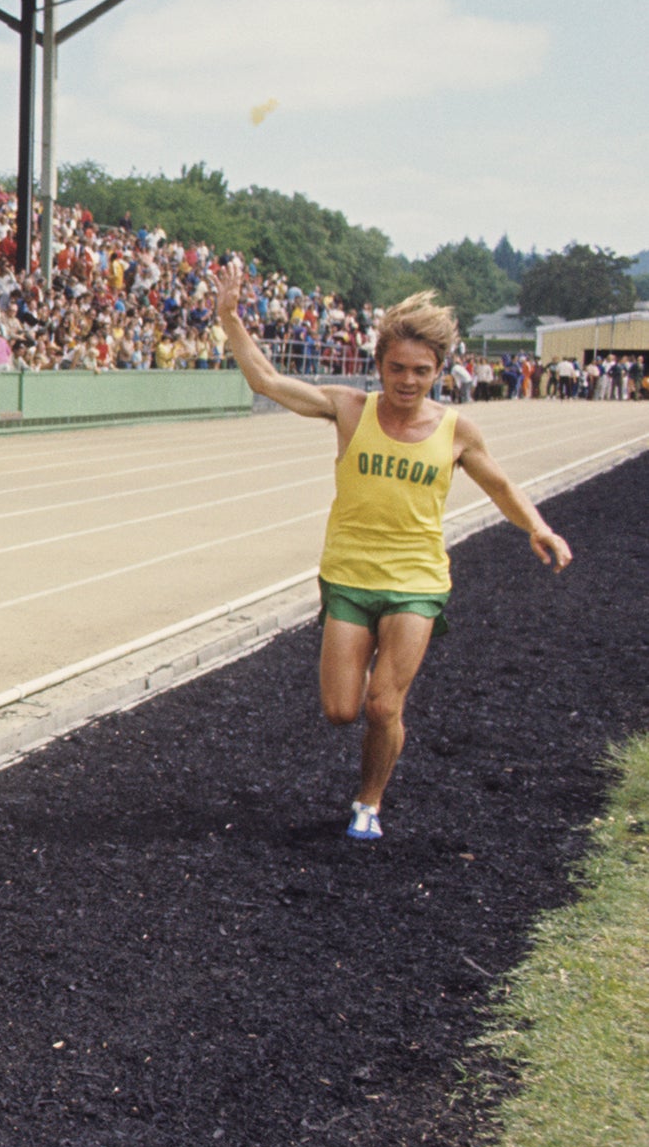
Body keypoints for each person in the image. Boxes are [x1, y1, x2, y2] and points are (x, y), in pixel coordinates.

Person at [214, 258, 572, 842]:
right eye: (397, 369)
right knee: (340, 710)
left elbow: (501, 486)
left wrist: (536, 526)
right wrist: (231, 319)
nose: (408, 382)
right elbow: (268, 382)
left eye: (422, 371)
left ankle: (369, 802)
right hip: (349, 578)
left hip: (417, 582)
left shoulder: (456, 431)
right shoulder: (350, 409)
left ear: (439, 370)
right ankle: (371, 758)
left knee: (383, 706)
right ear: (378, 364)